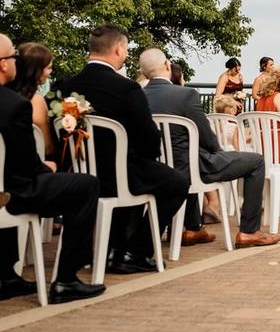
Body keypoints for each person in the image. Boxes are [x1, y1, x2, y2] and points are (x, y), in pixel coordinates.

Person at [59, 24, 189, 274]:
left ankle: (112, 247)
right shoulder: (127, 88)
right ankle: (134, 252)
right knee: (176, 183)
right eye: (127, 49)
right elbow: (150, 139)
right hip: (119, 175)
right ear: (118, 49)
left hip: (79, 172)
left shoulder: (66, 86)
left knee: (140, 173)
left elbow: (67, 130)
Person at [0, 33, 105, 304]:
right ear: (3, 64)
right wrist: (50, 170)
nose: (16, 61)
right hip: (12, 192)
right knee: (85, 185)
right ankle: (67, 279)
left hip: (7, 186)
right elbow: (25, 166)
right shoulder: (14, 106)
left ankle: (5, 276)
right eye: (12, 56)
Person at [140, 49, 280, 248]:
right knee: (256, 161)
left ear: (144, 73)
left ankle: (192, 229)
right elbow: (207, 138)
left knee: (184, 160)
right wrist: (219, 152)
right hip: (193, 166)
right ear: (166, 66)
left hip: (159, 168)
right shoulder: (186, 94)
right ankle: (249, 231)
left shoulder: (137, 96)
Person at [8, 42, 55, 158]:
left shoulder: (7, 94)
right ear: (37, 70)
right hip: (34, 164)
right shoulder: (35, 100)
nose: (51, 72)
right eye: (48, 68)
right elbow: (47, 148)